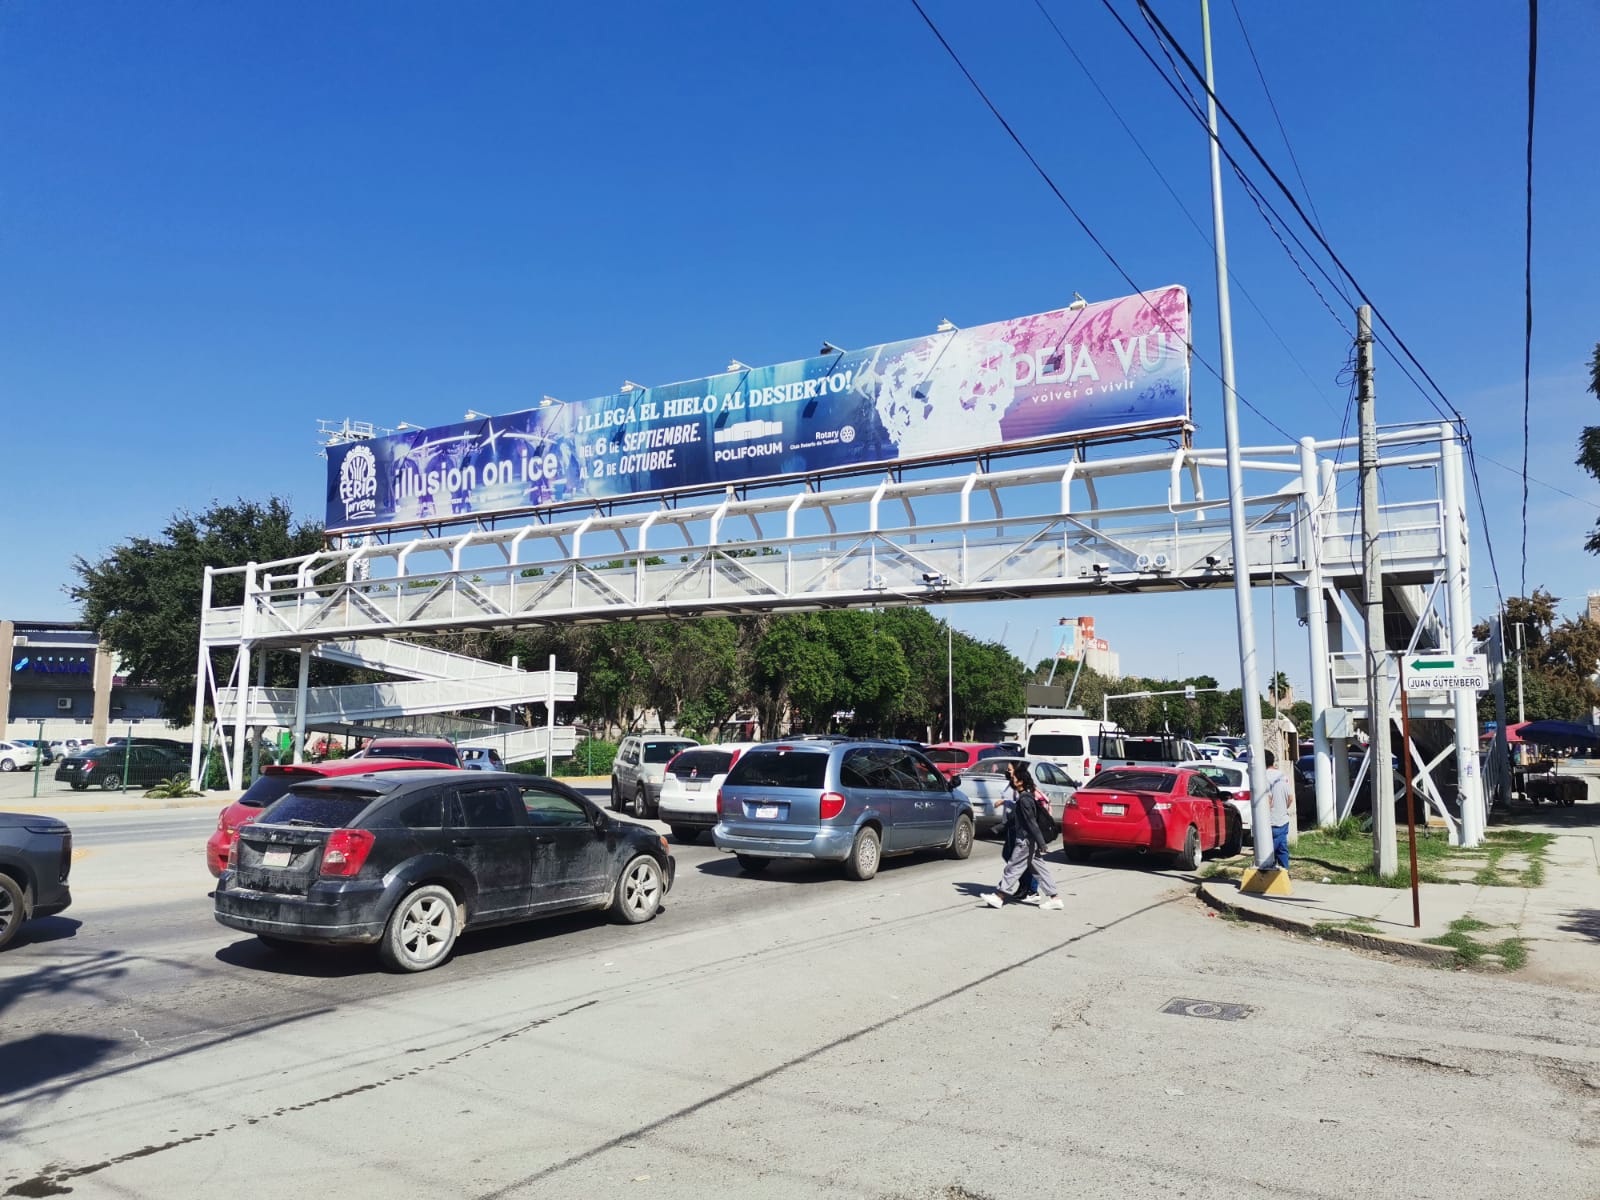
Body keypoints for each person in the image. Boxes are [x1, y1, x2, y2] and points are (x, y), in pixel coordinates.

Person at [982, 762, 1063, 910]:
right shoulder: (1025, 797)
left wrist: (1041, 843)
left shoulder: (1025, 800)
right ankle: (1055, 898)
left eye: (1014, 778)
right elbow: (1018, 818)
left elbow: (1031, 823)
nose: (1012, 779)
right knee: (1040, 871)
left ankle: (999, 897)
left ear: (1020, 782)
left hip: (1025, 841)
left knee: (1013, 867)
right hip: (1030, 841)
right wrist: (999, 827)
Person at [1264, 750, 1293, 871]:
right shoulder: (1282, 776)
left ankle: (1267, 872)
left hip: (1271, 821)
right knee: (1282, 849)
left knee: (1267, 852)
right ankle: (1284, 872)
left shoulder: (1264, 777)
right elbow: (1290, 798)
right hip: (1283, 819)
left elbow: (1268, 801)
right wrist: (1282, 809)